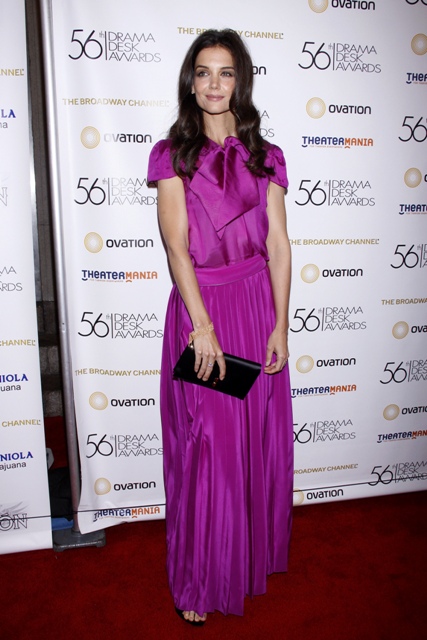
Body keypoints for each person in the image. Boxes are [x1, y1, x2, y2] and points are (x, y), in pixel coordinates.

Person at [147, 28, 293, 625]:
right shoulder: (172, 155)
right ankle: (199, 579)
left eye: (225, 72)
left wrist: (281, 324)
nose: (214, 84)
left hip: (256, 306)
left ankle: (242, 560)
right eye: (203, 72)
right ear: (191, 81)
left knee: (250, 443)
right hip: (202, 310)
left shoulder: (266, 156)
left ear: (240, 81)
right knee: (207, 449)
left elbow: (278, 245)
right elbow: (176, 247)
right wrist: (201, 325)